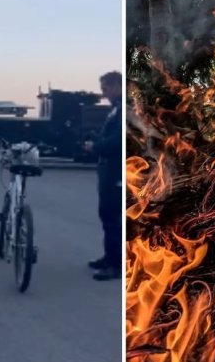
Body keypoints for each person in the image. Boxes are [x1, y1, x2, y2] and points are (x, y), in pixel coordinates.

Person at [84, 71, 123, 281]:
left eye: (106, 89)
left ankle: (115, 265)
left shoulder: (124, 109)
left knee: (112, 217)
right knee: (107, 215)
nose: (104, 94)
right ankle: (109, 257)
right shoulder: (115, 109)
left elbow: (118, 141)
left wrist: (95, 146)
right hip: (108, 170)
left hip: (116, 171)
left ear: (117, 85)